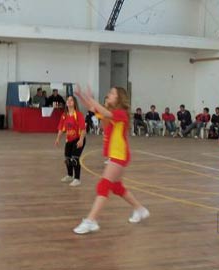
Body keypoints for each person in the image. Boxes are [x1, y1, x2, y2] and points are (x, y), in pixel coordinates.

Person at [73, 85, 149, 234]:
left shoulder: (121, 114)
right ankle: (140, 209)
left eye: (111, 93)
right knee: (116, 187)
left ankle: (91, 221)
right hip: (115, 155)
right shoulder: (110, 114)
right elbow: (95, 109)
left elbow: (101, 110)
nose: (108, 95)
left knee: (103, 186)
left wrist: (90, 99)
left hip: (119, 156)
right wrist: (82, 98)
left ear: (119, 98)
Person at [55, 96, 86, 187]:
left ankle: (77, 179)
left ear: (74, 103)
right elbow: (61, 128)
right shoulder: (64, 115)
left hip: (79, 139)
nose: (69, 101)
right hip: (69, 140)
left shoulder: (78, 114)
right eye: (67, 100)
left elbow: (83, 129)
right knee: (67, 159)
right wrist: (58, 138)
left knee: (75, 159)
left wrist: (81, 140)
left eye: (71, 100)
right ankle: (69, 175)